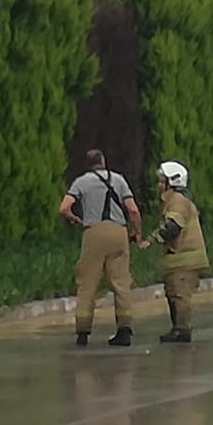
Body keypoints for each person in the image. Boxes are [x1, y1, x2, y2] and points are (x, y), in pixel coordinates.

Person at [59, 148, 141, 347]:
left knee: (87, 283)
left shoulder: (81, 182)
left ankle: (83, 331)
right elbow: (133, 210)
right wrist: (136, 233)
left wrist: (74, 218)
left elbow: (64, 208)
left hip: (93, 232)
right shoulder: (119, 180)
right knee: (121, 283)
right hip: (118, 232)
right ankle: (124, 330)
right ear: (103, 161)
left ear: (88, 164)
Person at [138, 159, 210, 344]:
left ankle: (183, 330)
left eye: (162, 181)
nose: (159, 185)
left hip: (185, 259)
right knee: (173, 293)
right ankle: (177, 328)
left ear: (173, 181)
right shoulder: (173, 200)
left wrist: (152, 239)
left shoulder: (177, 201)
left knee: (180, 295)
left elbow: (173, 227)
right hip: (178, 258)